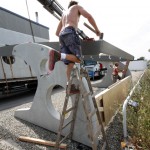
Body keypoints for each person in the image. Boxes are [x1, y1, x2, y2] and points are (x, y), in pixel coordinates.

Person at [49, 0, 101, 93]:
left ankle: (70, 86)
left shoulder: (64, 14)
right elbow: (89, 16)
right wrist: (97, 30)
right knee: (78, 59)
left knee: (70, 63)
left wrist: (73, 40)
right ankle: (59, 56)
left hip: (62, 35)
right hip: (70, 32)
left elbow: (57, 33)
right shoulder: (77, 7)